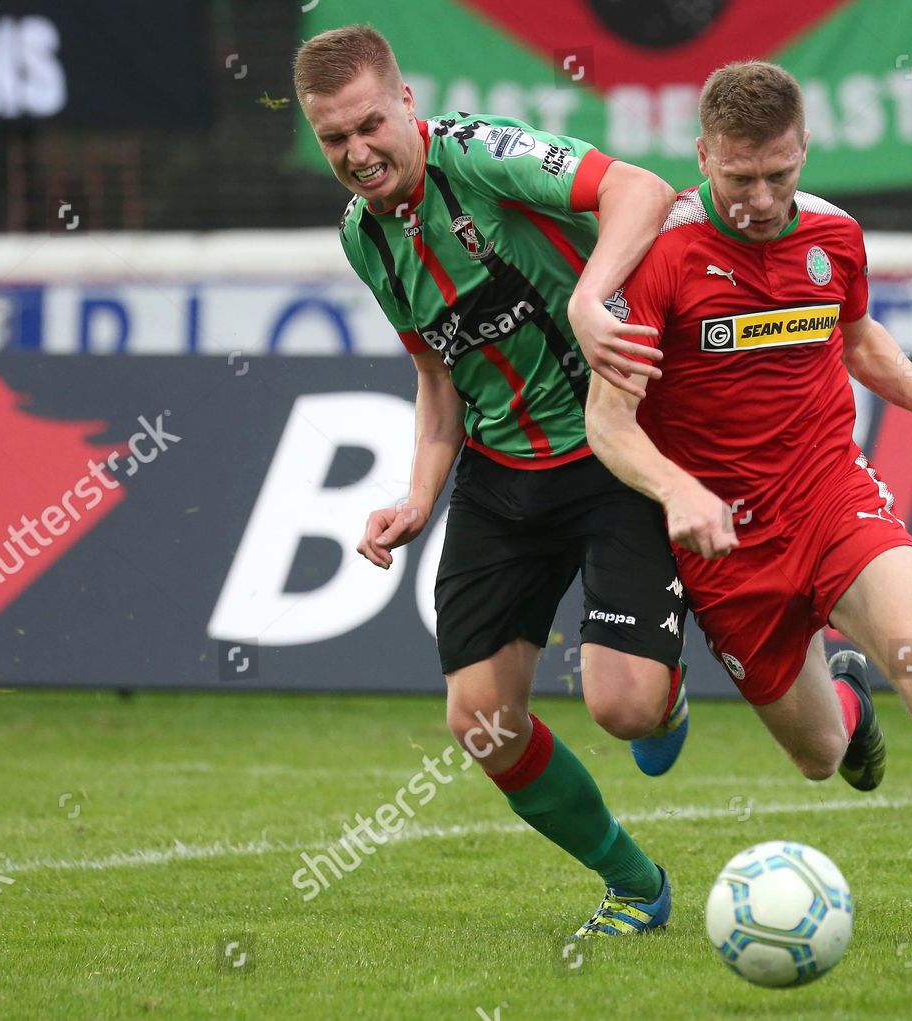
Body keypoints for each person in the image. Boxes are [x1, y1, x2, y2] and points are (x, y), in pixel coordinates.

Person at [585, 61, 912, 950]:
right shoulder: (655, 257)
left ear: (804, 147)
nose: (762, 198)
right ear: (703, 154)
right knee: (819, 759)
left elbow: (854, 335)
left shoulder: (836, 236)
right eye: (739, 178)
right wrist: (680, 489)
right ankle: (847, 694)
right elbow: (607, 423)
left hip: (830, 496)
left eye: (781, 173)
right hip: (725, 545)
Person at [294, 24, 691, 937]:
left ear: (406, 104)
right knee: (479, 721)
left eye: (367, 126)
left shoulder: (484, 156)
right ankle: (636, 885)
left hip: (613, 452)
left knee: (625, 706)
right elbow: (439, 379)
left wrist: (592, 299)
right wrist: (417, 498)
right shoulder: (366, 238)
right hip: (501, 480)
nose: (357, 154)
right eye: (332, 140)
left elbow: (644, 190)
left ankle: (663, 692)